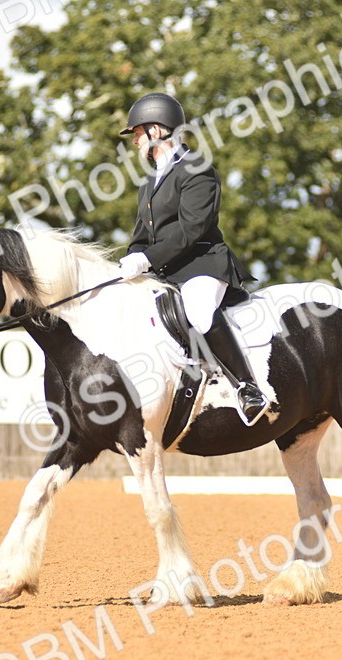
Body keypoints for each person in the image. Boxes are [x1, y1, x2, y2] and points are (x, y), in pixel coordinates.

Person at [116, 92, 270, 425]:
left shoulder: (197, 170)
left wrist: (147, 260)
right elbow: (142, 236)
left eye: (138, 133)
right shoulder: (148, 184)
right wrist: (129, 261)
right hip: (166, 270)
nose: (135, 141)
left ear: (157, 130)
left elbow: (191, 229)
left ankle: (247, 388)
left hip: (202, 264)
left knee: (198, 309)